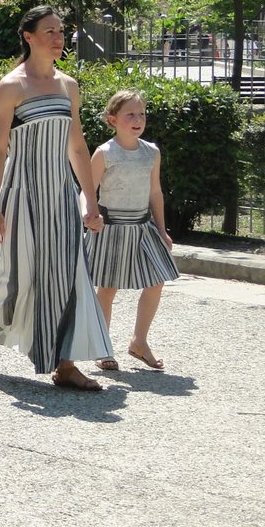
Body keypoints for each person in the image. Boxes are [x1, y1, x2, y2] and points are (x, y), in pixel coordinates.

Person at [0, 6, 113, 391]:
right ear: (28, 36)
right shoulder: (11, 86)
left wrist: (90, 201)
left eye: (62, 31)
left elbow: (77, 147)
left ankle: (65, 362)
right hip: (21, 192)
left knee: (68, 274)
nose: (58, 38)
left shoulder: (68, 85)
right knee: (17, 271)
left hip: (60, 194)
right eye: (49, 31)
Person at [84, 90, 179, 372]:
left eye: (141, 114)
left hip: (142, 227)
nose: (138, 119)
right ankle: (102, 346)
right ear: (113, 119)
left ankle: (139, 341)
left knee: (156, 280)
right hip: (110, 228)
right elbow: (87, 191)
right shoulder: (104, 153)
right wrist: (89, 215)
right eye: (130, 115)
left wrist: (162, 231)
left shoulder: (151, 152)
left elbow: (156, 192)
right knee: (108, 288)